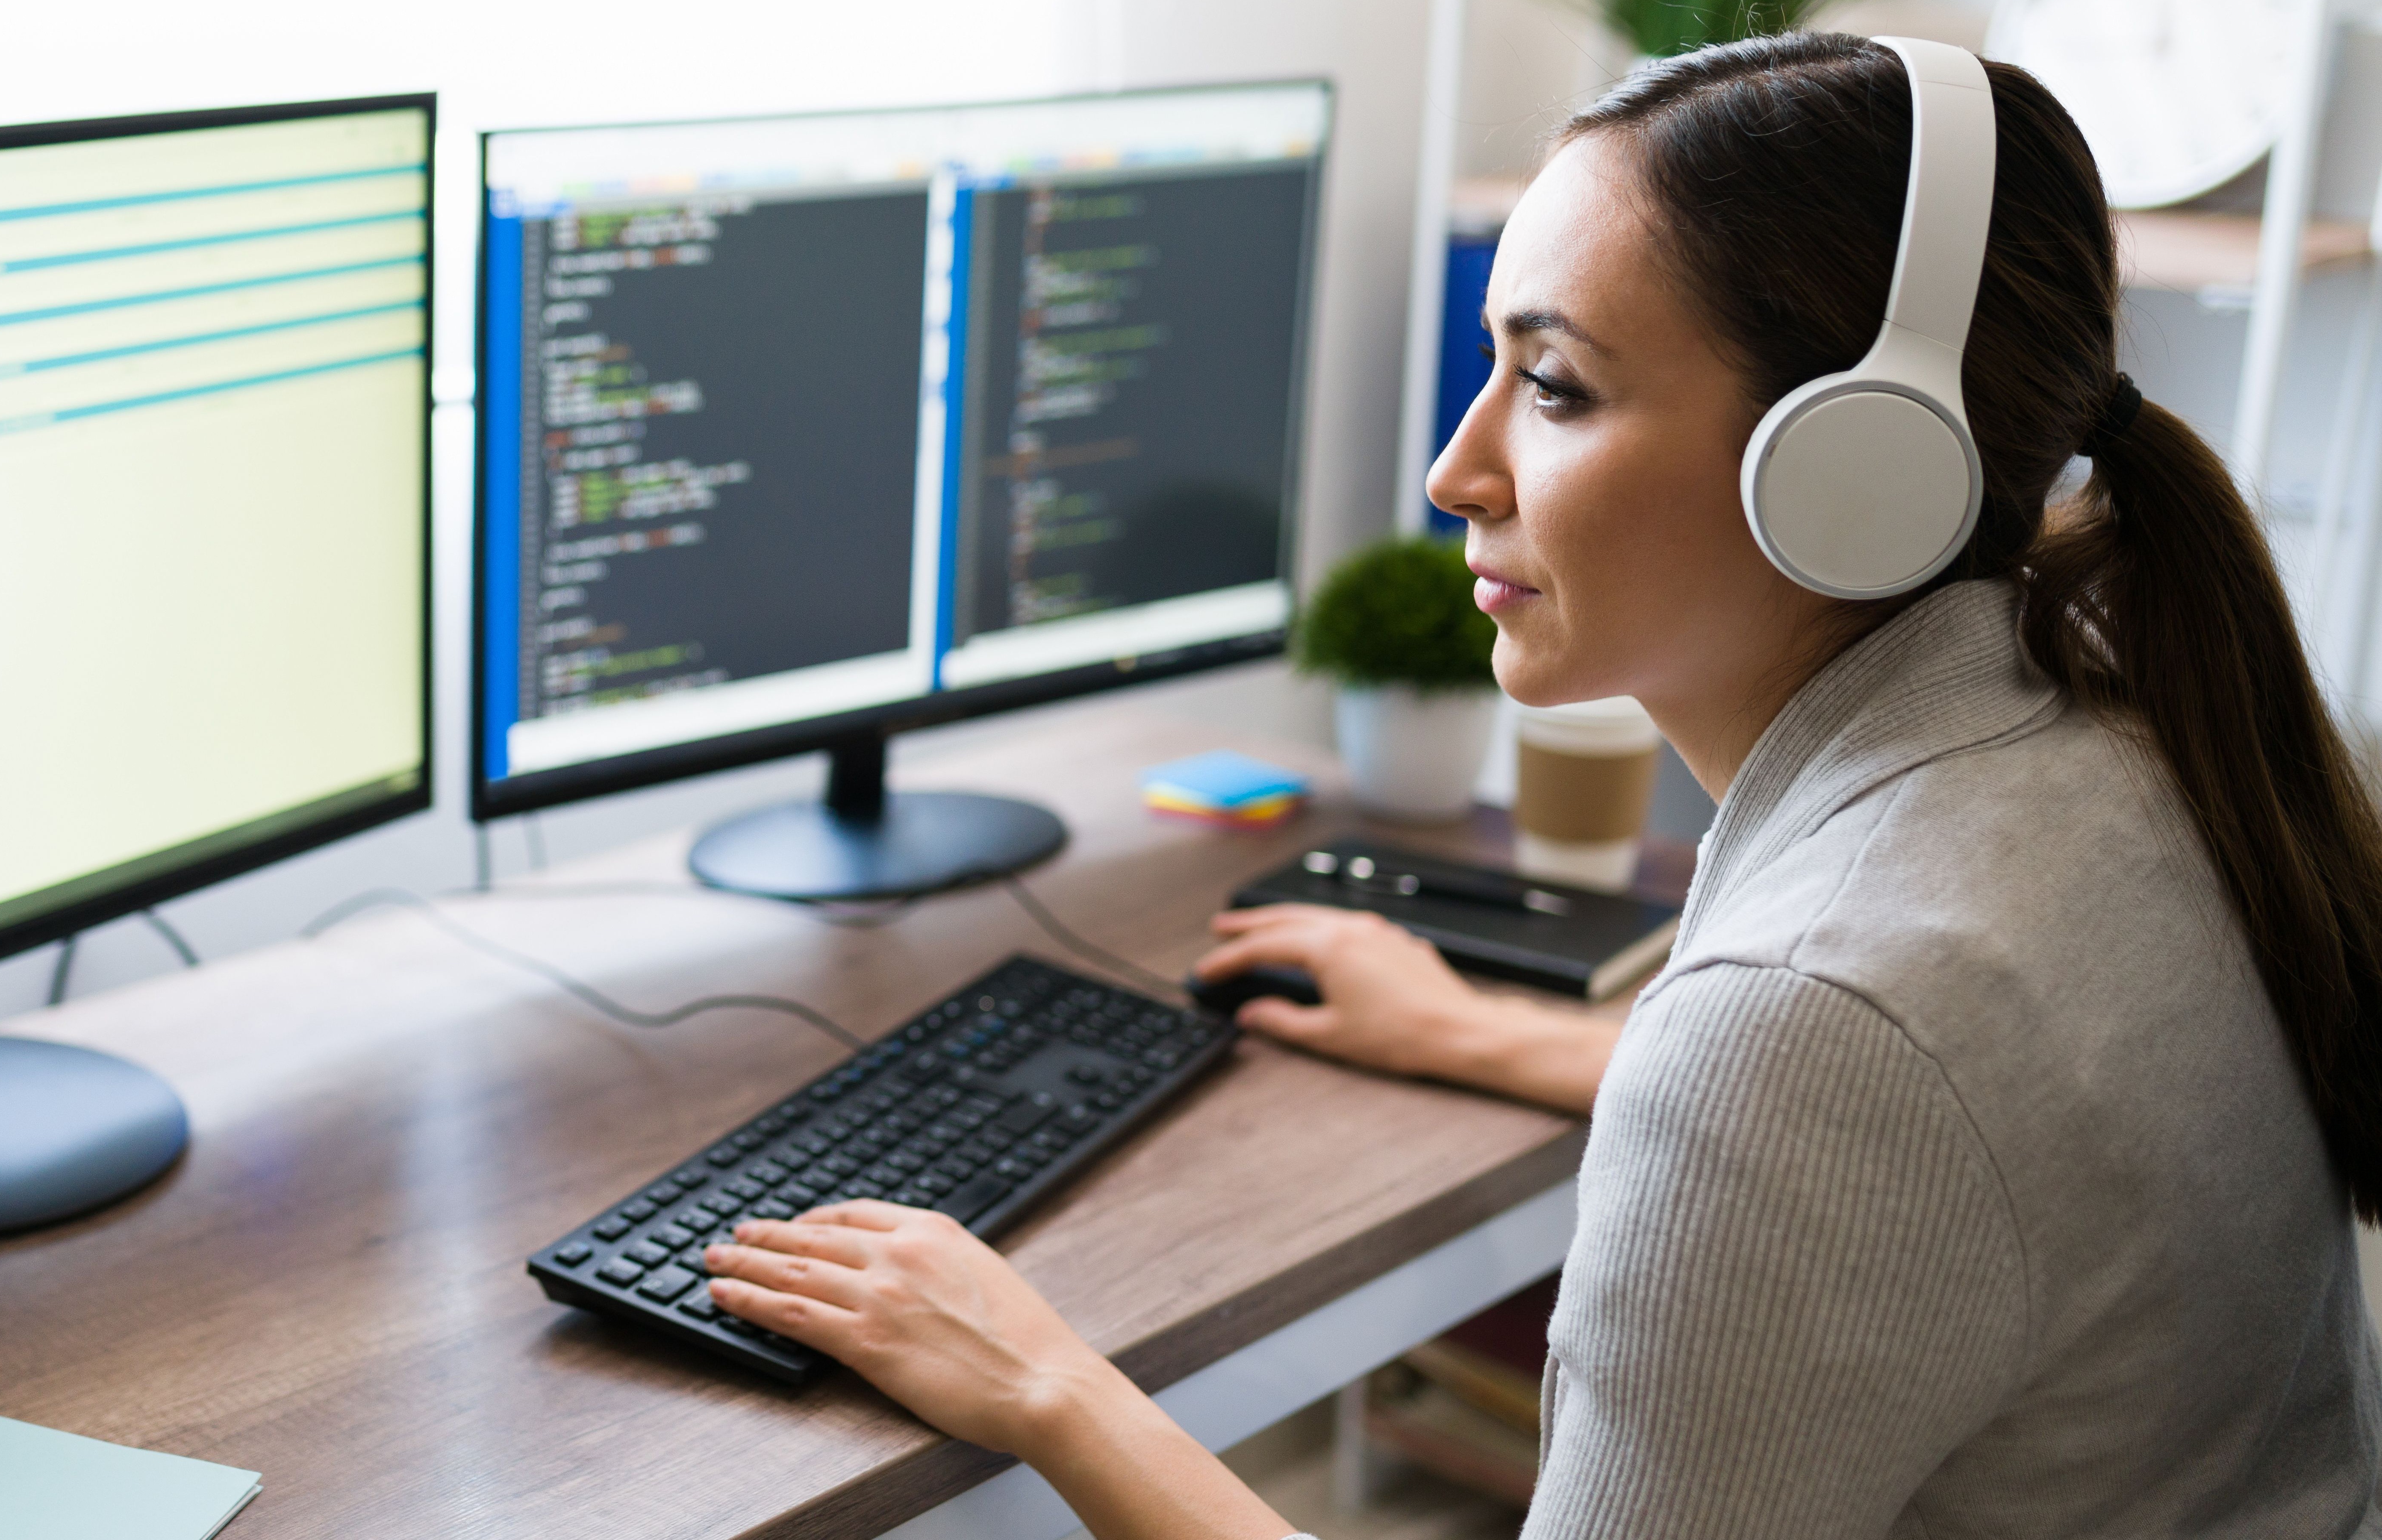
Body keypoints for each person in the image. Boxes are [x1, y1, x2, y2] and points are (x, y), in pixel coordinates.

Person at [698, 32, 2382, 1539]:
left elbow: (1846, 1067)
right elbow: (1952, 1136)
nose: (1454, 467)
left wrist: (1046, 1380)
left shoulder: (1821, 1020)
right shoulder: (2123, 730)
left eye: (1555, 385)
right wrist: (1483, 1033)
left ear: (1854, 467)